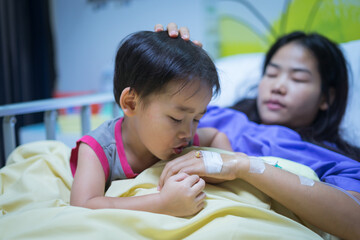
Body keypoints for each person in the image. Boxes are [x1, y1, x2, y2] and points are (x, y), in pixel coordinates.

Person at [156, 23, 360, 239]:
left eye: (298, 78)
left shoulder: (337, 161)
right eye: (271, 74)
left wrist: (243, 166)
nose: (278, 87)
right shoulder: (209, 115)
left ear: (326, 98)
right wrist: (161, 65)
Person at [69, 30, 233, 217]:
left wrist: (220, 171)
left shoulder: (183, 139)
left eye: (196, 119)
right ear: (131, 103)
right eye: (176, 119)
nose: (188, 133)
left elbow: (216, 137)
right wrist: (162, 203)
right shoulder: (98, 150)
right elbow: (82, 205)